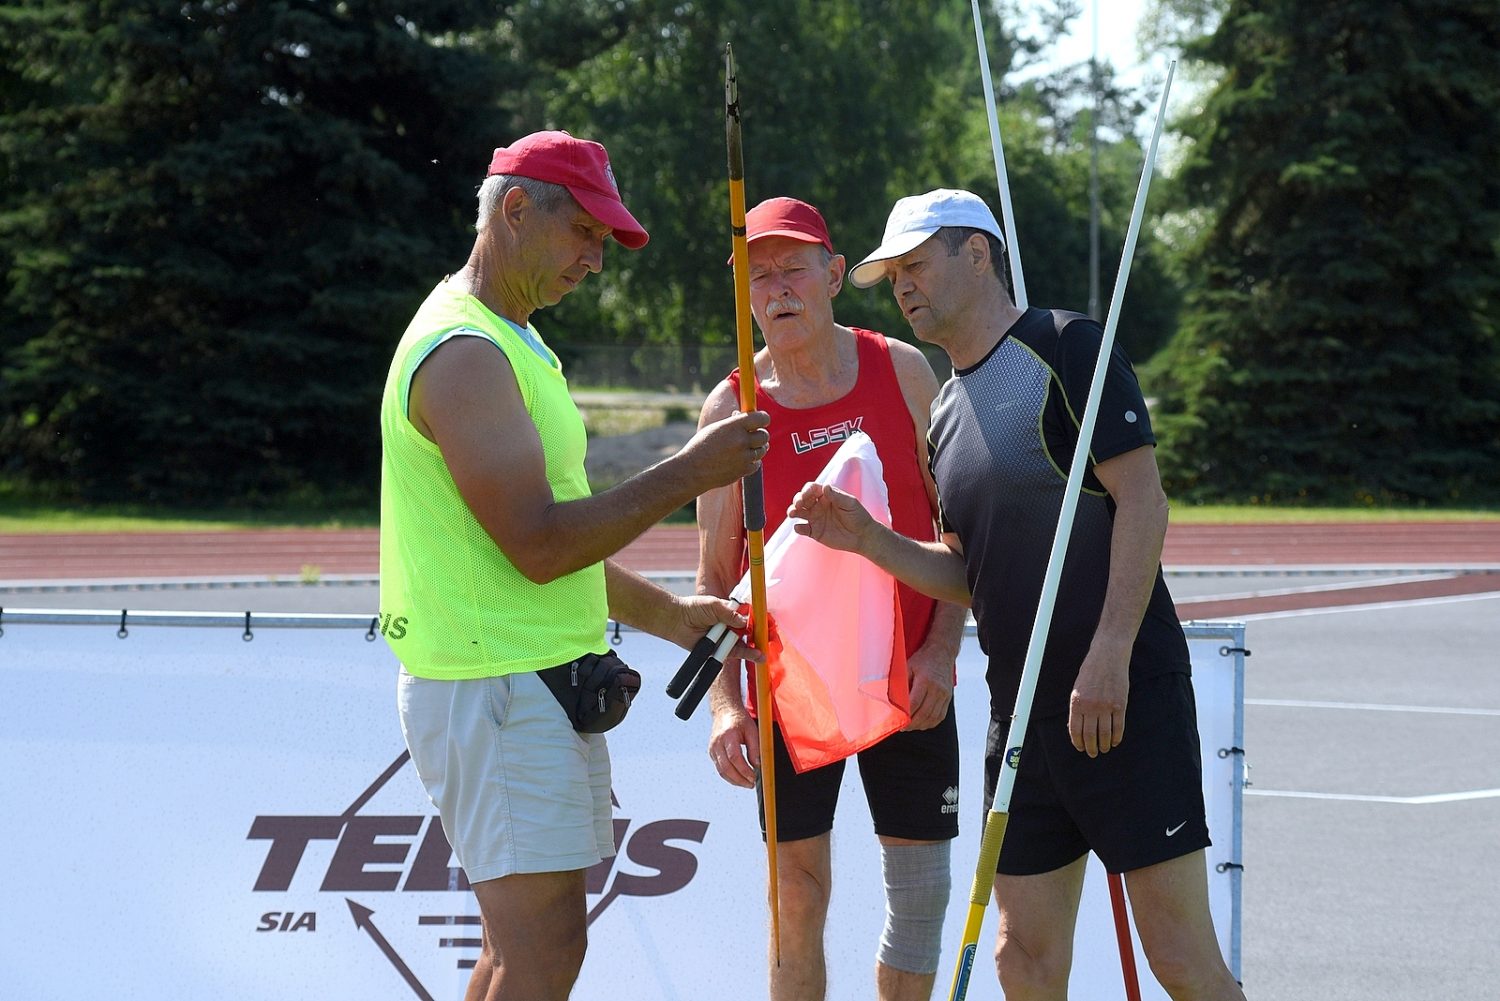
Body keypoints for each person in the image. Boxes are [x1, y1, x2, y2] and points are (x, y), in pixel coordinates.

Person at [788, 189, 1247, 1001]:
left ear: (978, 254)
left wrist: (1110, 654)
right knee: (1021, 957)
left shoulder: (1068, 346)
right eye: (892, 276)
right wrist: (869, 540)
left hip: (1122, 695)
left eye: (916, 265)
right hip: (1023, 716)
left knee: (1179, 956)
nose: (902, 287)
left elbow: (1143, 499)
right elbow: (968, 571)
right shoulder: (945, 410)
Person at [378, 131, 770, 1001]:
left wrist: (672, 616)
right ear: (516, 210)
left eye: (603, 241)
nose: (595, 259)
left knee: (522, 948)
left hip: (519, 683)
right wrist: (690, 471)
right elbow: (541, 543)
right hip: (494, 686)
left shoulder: (511, 340)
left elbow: (555, 542)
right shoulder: (465, 352)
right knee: (543, 950)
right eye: (585, 232)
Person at [697, 197, 968, 1001]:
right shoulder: (732, 408)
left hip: (907, 674)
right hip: (793, 691)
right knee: (797, 896)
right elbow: (713, 581)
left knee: (919, 898)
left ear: (835, 274)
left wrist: (942, 650)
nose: (778, 289)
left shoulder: (903, 370)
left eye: (794, 268)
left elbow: (961, 532)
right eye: (759, 277)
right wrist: (724, 704)